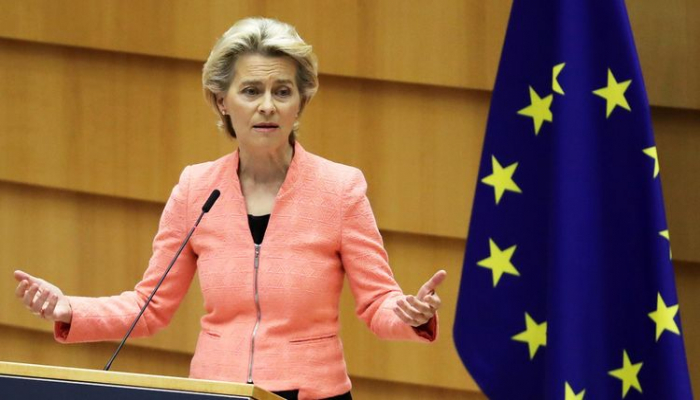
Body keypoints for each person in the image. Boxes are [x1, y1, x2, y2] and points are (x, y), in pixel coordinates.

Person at [13, 17, 446, 400]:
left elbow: (378, 303)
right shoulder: (196, 188)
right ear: (223, 101)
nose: (267, 105)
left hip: (312, 394)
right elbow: (149, 306)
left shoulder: (340, 189)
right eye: (251, 90)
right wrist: (69, 309)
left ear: (300, 102)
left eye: (282, 91)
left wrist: (410, 315)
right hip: (217, 391)